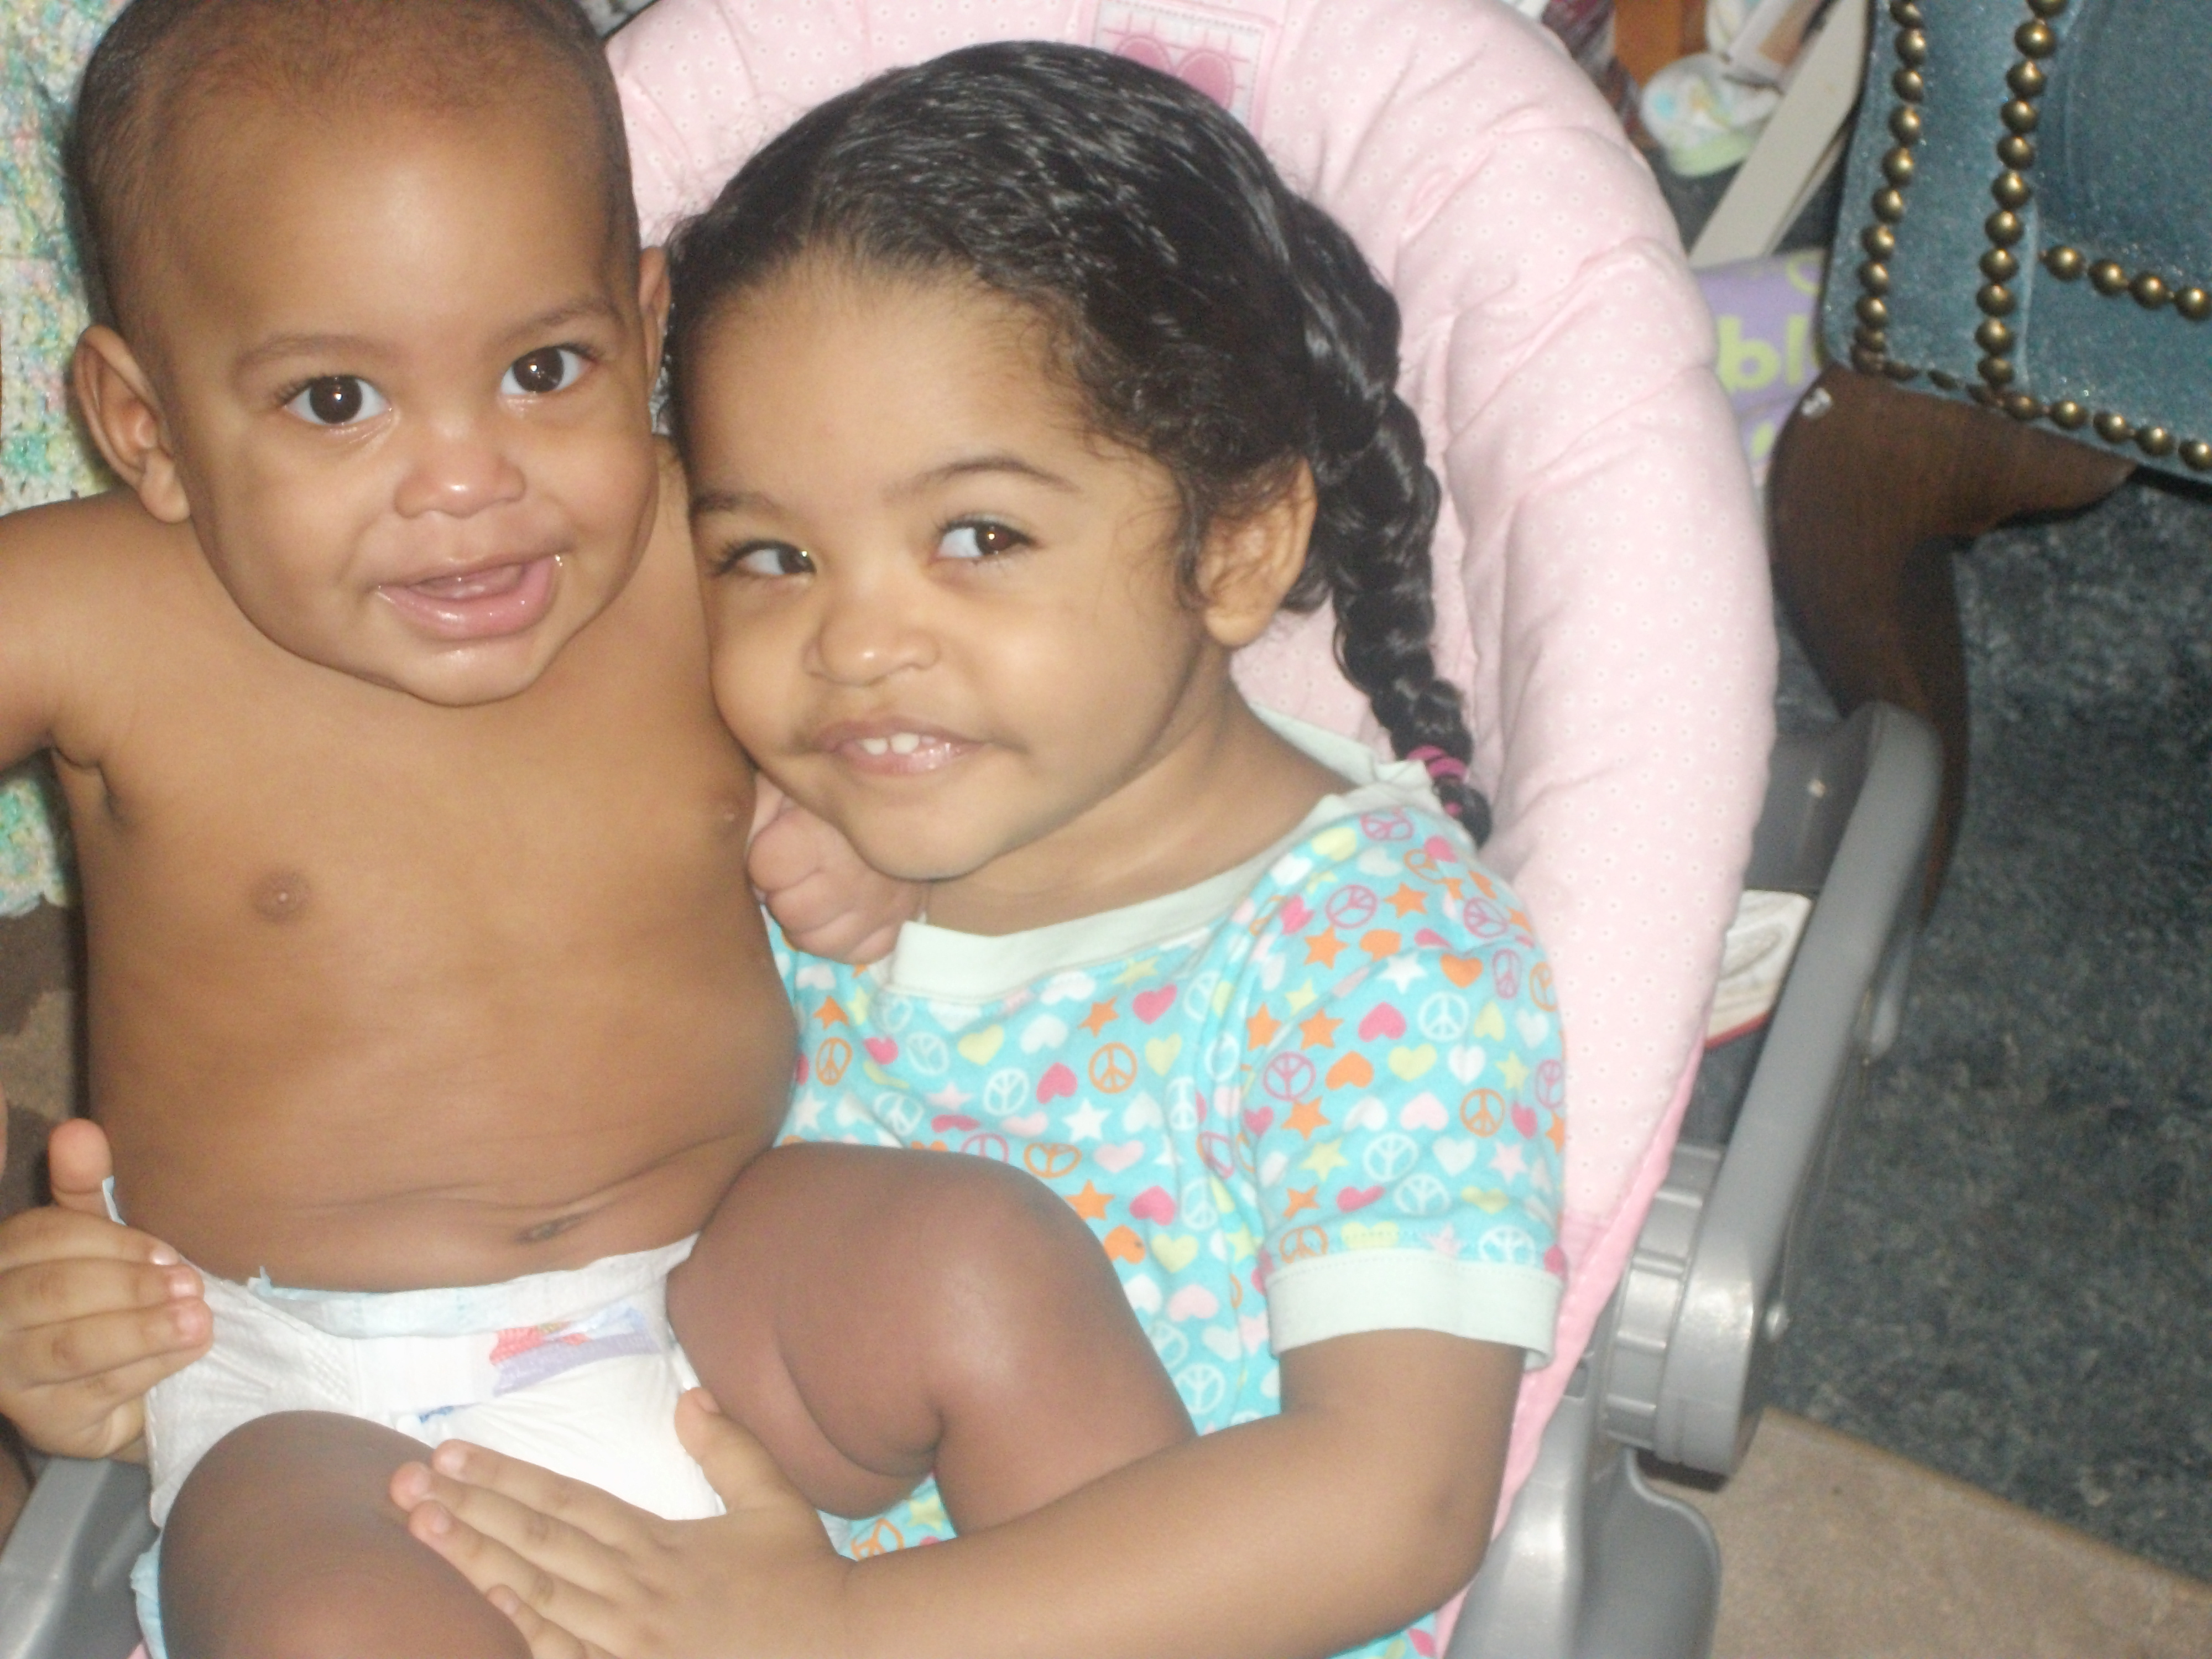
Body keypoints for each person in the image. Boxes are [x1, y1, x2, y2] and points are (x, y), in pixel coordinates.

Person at [0, 3, 1195, 1654]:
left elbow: (973, 679)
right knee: (329, 1627)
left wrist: (860, 804)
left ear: (646, 328)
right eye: (337, 400)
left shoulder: (715, 550)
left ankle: (1151, 1611)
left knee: (984, 1259)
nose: (467, 479)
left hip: (731, 1285)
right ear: (144, 427)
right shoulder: (84, 612)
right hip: (299, 1386)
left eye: (542, 371)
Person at [378, 44, 1566, 1659]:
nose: (856, 643)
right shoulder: (753, 820)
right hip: (661, 1544)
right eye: (772, 556)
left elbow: (1391, 1502)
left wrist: (844, 1631)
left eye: (977, 537)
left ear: (1236, 547)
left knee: (956, 1272)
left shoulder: (1375, 961)